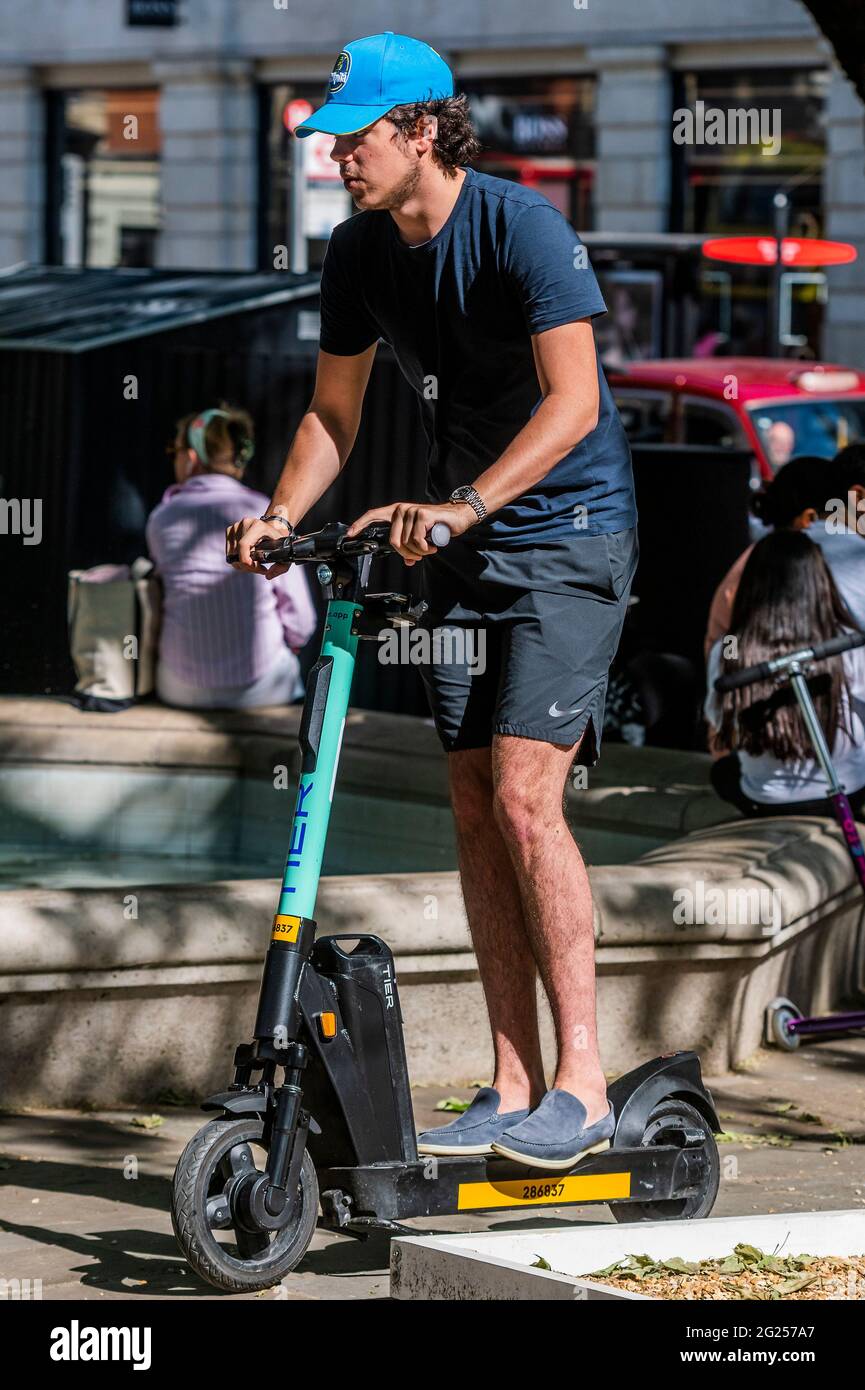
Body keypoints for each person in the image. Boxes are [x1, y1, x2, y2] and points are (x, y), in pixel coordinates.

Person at [226, 32, 638, 1170]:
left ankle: (584, 1084)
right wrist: (277, 513)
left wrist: (460, 503)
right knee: (467, 801)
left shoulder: (523, 229)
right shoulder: (359, 250)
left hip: (567, 536)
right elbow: (331, 414)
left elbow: (572, 406)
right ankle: (510, 1084)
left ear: (420, 129)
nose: (334, 160)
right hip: (459, 546)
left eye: (350, 139)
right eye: (328, 141)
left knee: (521, 798)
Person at [147, 406, 317, 710]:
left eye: (176, 450)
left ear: (191, 458)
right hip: (263, 688)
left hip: (180, 687)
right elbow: (302, 620)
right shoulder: (263, 515)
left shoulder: (162, 518)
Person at [705, 530, 865, 818]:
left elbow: (720, 733)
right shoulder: (848, 639)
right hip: (850, 790)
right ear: (819, 581)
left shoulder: (728, 648)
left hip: (766, 799)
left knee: (723, 771)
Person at [705, 453, 865, 658]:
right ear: (809, 519)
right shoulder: (828, 550)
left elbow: (727, 641)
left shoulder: (758, 556)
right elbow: (730, 639)